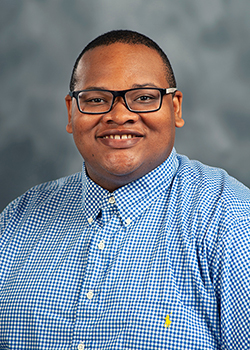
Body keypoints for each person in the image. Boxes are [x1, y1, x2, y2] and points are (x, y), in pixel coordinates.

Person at [0, 30, 249, 350]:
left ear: (175, 107)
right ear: (71, 112)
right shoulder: (17, 221)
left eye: (144, 97)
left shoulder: (232, 221)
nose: (119, 116)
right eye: (96, 99)